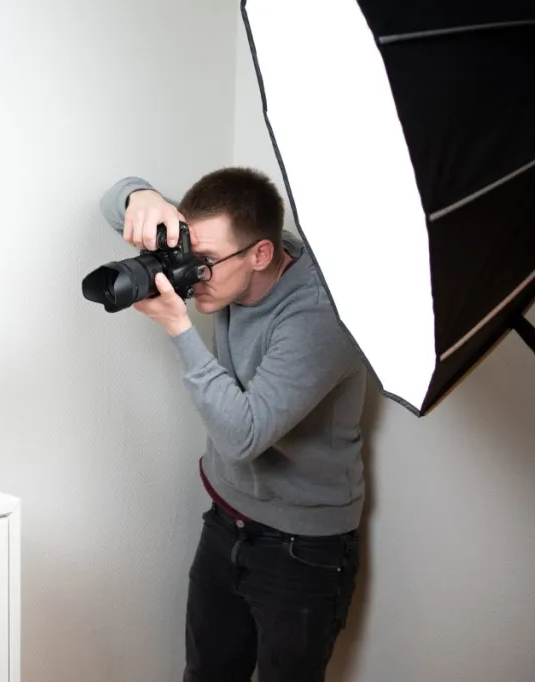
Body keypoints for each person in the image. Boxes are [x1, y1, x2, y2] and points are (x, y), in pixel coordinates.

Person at [98, 167, 368, 682]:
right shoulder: (225, 247)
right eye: (188, 257)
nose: (190, 273)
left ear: (261, 255)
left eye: (204, 264)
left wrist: (179, 327)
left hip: (302, 547)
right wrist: (144, 196)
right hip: (226, 519)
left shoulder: (321, 316)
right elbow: (116, 201)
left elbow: (243, 436)